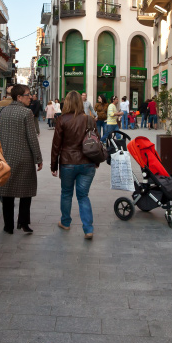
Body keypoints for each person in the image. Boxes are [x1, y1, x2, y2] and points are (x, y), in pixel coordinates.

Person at [0, 85, 43, 234]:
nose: (30, 97)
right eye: (28, 95)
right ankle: (23, 223)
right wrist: (38, 158)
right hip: (24, 159)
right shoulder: (26, 113)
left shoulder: (1, 111)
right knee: (26, 193)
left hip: (5, 158)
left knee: (7, 194)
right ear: (19, 97)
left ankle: (8, 226)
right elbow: (32, 138)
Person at [52, 91, 98, 239]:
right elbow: (96, 142)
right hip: (87, 162)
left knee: (66, 193)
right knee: (83, 195)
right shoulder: (89, 119)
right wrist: (96, 161)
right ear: (80, 102)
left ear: (67, 102)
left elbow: (56, 145)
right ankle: (88, 229)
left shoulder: (62, 119)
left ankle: (65, 222)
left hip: (68, 162)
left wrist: (53, 165)